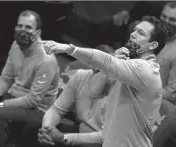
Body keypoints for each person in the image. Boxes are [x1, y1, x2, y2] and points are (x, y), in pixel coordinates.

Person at [40, 16, 166, 147]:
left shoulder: (147, 70)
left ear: (152, 45)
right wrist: (109, 69)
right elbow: (92, 92)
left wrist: (69, 49)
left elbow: (105, 60)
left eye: (141, 33)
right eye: (134, 30)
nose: (133, 35)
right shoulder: (126, 70)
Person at [0, 10, 60, 147]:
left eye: (28, 27)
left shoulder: (46, 60)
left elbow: (33, 100)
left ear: (38, 33)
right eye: (20, 26)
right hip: (14, 96)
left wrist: (0, 105)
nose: (23, 30)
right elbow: (6, 79)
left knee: (1, 113)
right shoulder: (15, 46)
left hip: (38, 109)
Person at [16, 46, 114, 147]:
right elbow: (57, 109)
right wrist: (47, 129)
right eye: (96, 63)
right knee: (34, 127)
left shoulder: (119, 91)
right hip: (79, 135)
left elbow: (105, 137)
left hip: (100, 143)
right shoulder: (81, 77)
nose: (100, 70)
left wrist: (64, 138)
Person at [153, 2, 176, 147]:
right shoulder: (156, 36)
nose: (166, 21)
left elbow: (171, 94)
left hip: (162, 113)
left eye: (173, 19)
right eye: (164, 16)